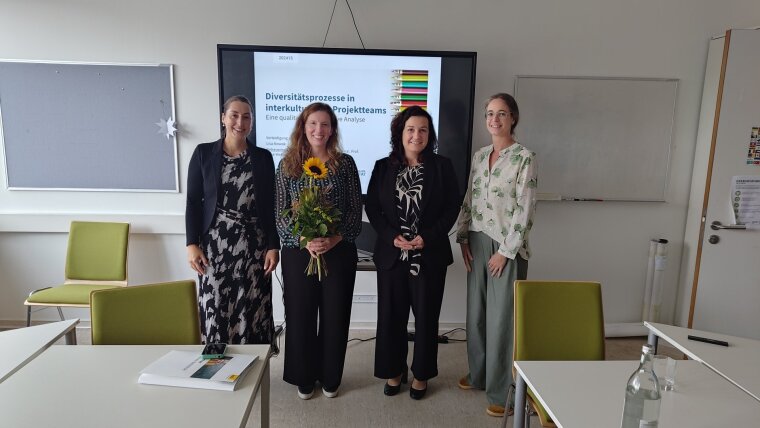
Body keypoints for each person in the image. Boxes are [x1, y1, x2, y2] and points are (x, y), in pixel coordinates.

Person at [366, 106, 460, 400]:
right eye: (410, 129)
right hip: (392, 255)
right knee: (391, 318)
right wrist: (391, 236)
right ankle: (394, 372)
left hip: (428, 256)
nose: (416, 135)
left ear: (429, 135)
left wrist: (427, 237)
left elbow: (451, 207)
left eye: (422, 130)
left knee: (426, 319)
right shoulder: (383, 166)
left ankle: (421, 375)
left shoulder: (442, 166)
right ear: (400, 132)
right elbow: (373, 207)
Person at [456, 93, 537, 417]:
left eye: (501, 114)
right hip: (477, 239)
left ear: (513, 118)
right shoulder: (480, 156)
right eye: (490, 114)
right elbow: (470, 198)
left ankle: (503, 390)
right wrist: (463, 237)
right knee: (476, 314)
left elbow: (526, 209)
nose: (494, 120)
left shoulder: (524, 157)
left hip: (508, 247)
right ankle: (479, 374)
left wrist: (505, 253)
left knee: (502, 320)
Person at [275, 102, 362, 400]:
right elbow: (281, 213)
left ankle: (330, 377)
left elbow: (354, 210)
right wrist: (306, 239)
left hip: (338, 251)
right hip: (299, 252)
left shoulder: (345, 163)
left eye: (325, 124)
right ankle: (303, 376)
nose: (318, 130)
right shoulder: (287, 164)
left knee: (335, 316)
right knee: (300, 315)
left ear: (333, 129)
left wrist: (334, 239)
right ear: (303, 126)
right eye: (313, 124)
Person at [185, 95, 280, 345]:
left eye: (246, 116)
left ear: (252, 122)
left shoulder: (263, 157)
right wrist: (191, 244)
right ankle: (217, 372)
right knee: (216, 306)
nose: (241, 121)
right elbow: (194, 202)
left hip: (254, 247)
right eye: (235, 115)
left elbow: (270, 206)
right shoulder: (203, 153)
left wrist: (273, 245)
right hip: (214, 248)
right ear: (223, 118)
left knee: (253, 307)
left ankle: (254, 374)